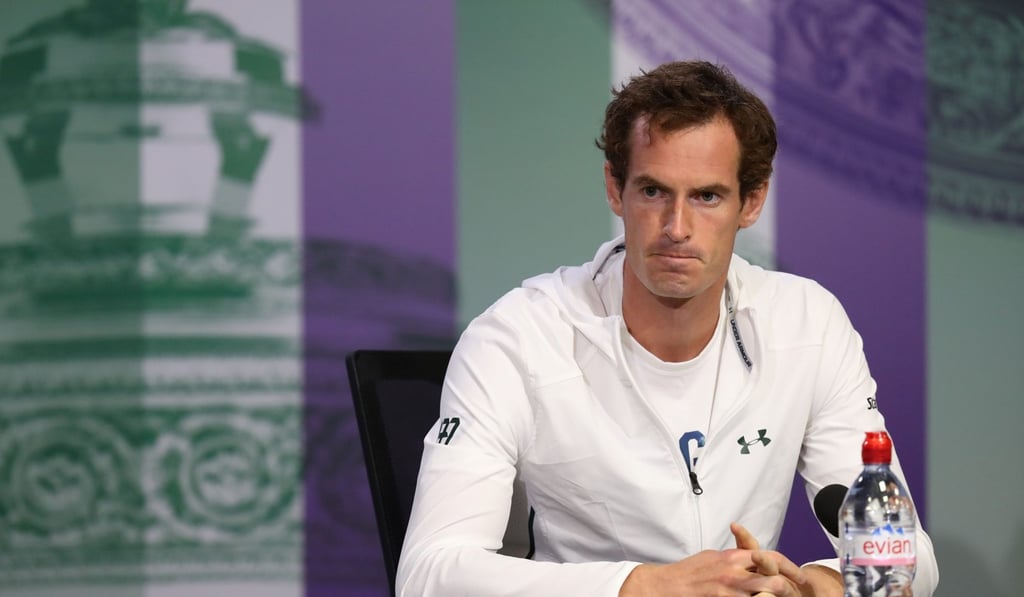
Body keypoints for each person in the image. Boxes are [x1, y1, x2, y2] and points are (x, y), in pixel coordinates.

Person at [396, 60, 939, 596]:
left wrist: (815, 585)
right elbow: (428, 576)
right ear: (616, 188)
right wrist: (643, 588)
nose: (677, 228)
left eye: (706, 196)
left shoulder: (808, 324)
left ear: (751, 201)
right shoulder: (517, 337)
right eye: (654, 191)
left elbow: (907, 551)